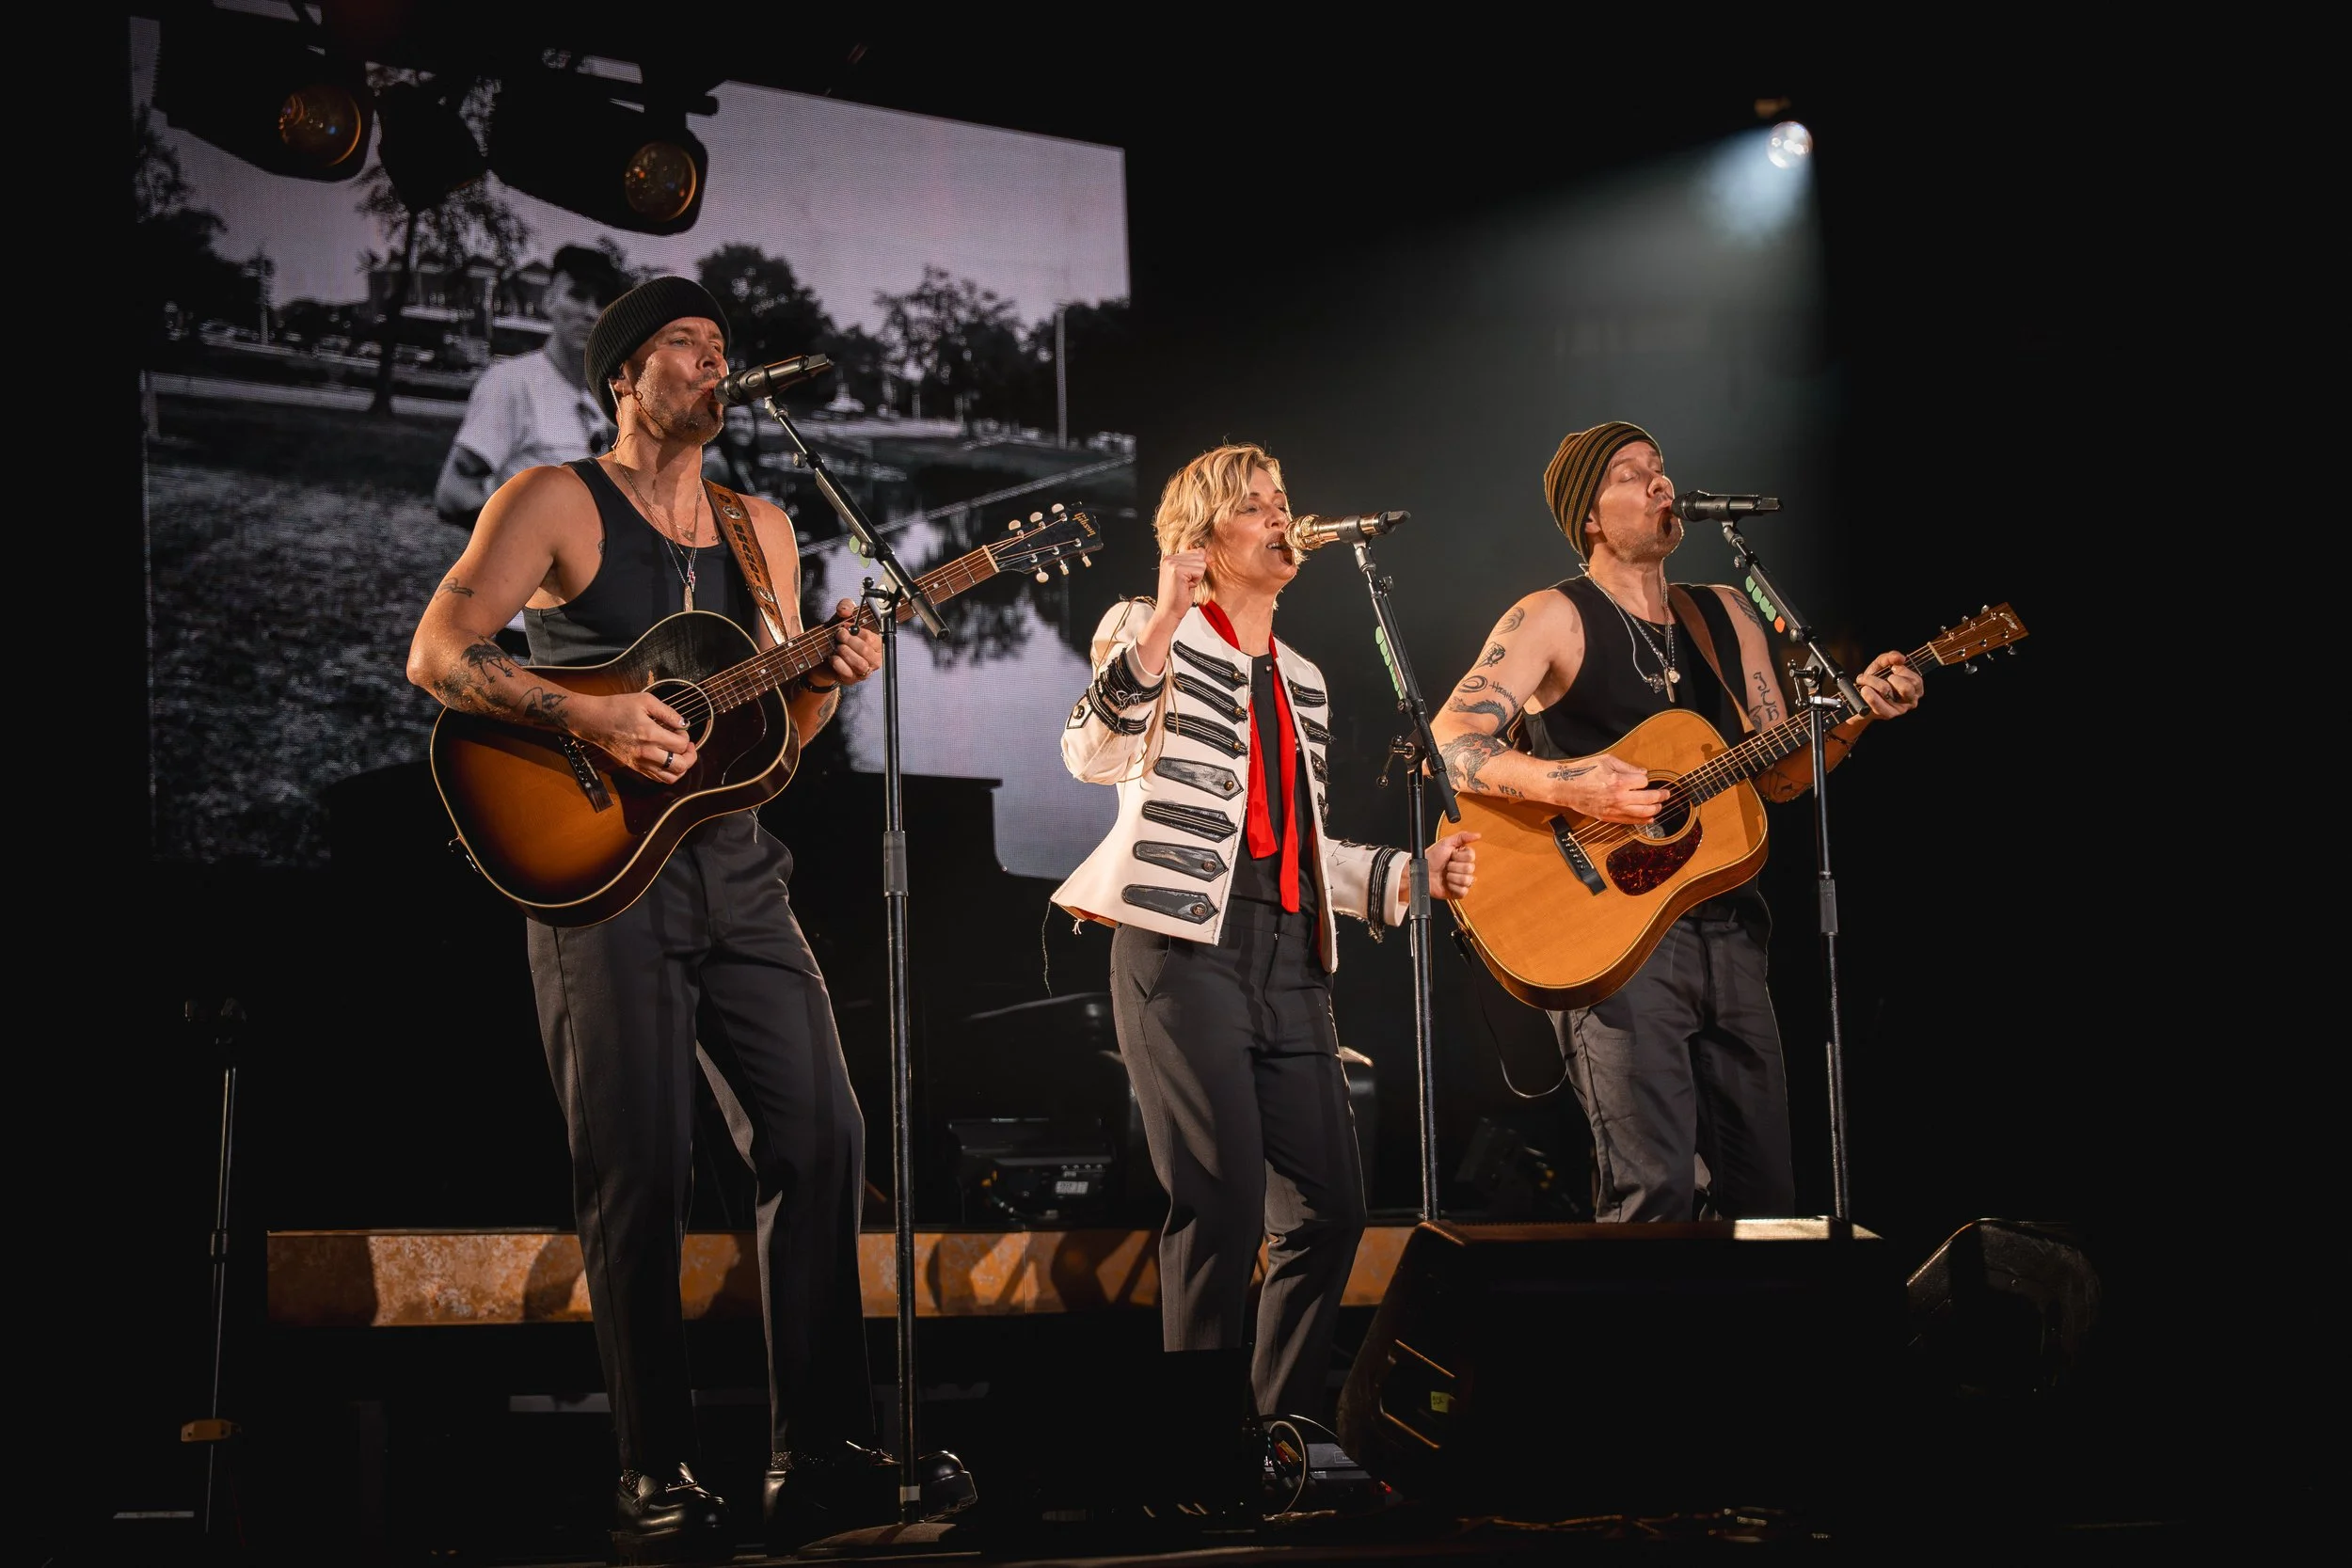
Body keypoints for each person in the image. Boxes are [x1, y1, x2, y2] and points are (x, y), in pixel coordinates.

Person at [405, 276, 893, 1562]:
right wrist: (597, 713)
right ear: (622, 373)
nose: (711, 359)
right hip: (599, 869)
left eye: (722, 345)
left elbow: (773, 741)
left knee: (823, 1130)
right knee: (639, 1166)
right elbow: (439, 652)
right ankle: (652, 1468)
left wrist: (828, 677)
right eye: (683, 341)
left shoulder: (761, 526)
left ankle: (817, 1455)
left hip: (735, 864)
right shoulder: (554, 499)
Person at [1054, 443, 1477, 1426]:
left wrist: (1407, 875)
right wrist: (1163, 620)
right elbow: (1090, 751)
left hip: (1289, 955)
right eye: (1255, 505)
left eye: (1283, 501)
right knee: (1219, 1205)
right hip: (1180, 948)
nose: (1282, 517)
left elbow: (1301, 839)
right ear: (1202, 538)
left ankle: (1272, 1436)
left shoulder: (1303, 677)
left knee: (1329, 1209)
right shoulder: (1145, 627)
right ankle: (1202, 1453)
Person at [1426, 422, 1922, 1224]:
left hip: (1730, 931)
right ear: (1590, 516)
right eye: (1631, 474)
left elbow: (1779, 774)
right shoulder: (1552, 616)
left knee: (1766, 1201)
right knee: (1653, 1196)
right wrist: (1575, 785)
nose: (1660, 483)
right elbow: (1448, 740)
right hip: (1612, 939)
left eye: (1660, 468)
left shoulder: (1725, 613)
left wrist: (1858, 713)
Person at [432, 245, 628, 531]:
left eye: (602, 302)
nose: (590, 313)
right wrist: (535, 541)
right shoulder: (512, 384)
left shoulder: (592, 396)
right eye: (577, 295)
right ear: (549, 301)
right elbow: (453, 493)